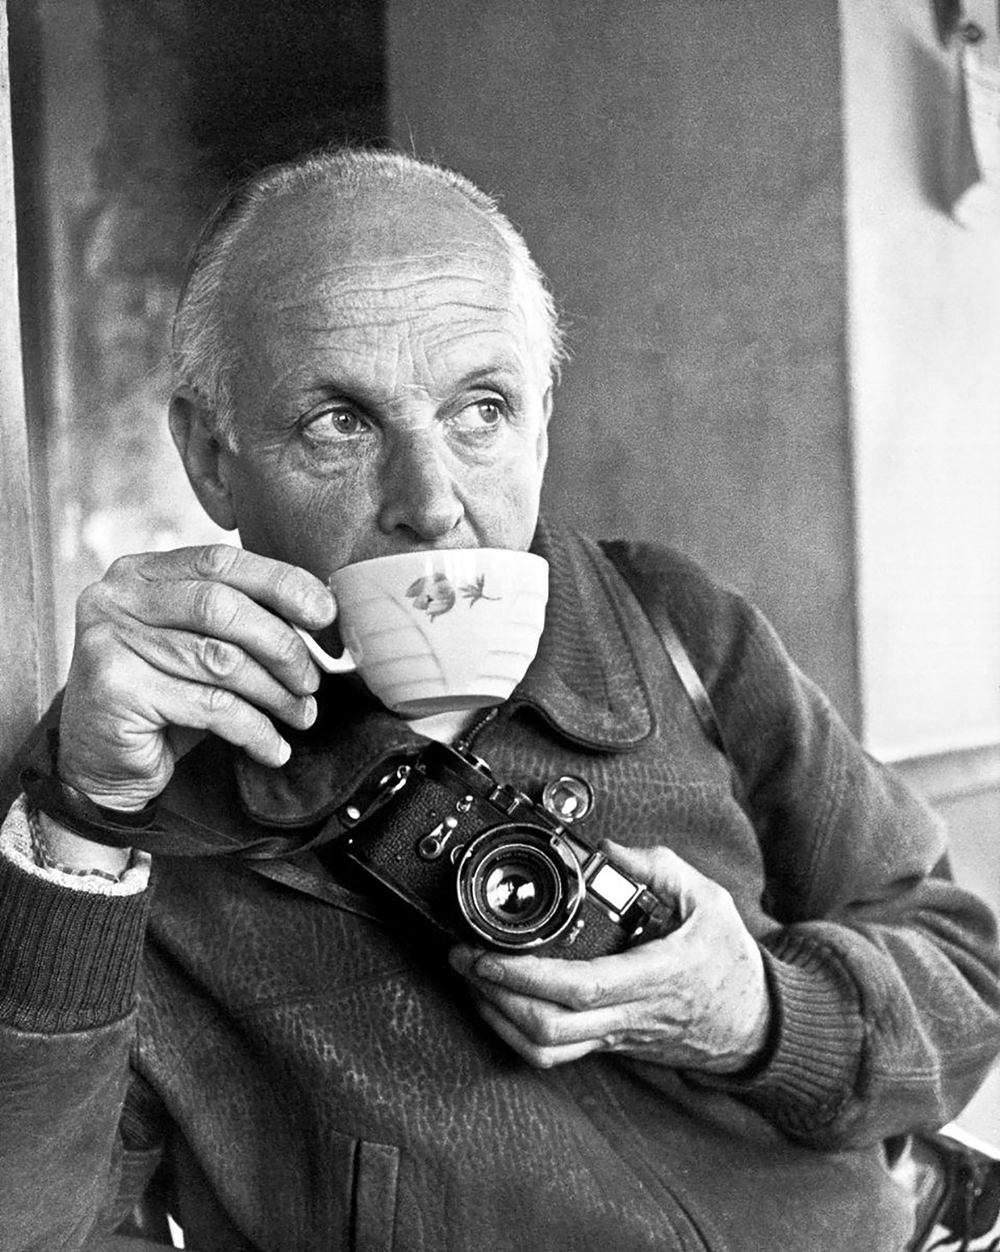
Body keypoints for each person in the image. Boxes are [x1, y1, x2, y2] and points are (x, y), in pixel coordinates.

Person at [1, 148, 998, 1252]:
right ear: (210, 456)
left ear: (540, 418)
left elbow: (966, 980)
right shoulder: (131, 788)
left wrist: (753, 1012)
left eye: (479, 408)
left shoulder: (675, 627)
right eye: (341, 422)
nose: (431, 504)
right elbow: (34, 1223)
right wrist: (85, 821)